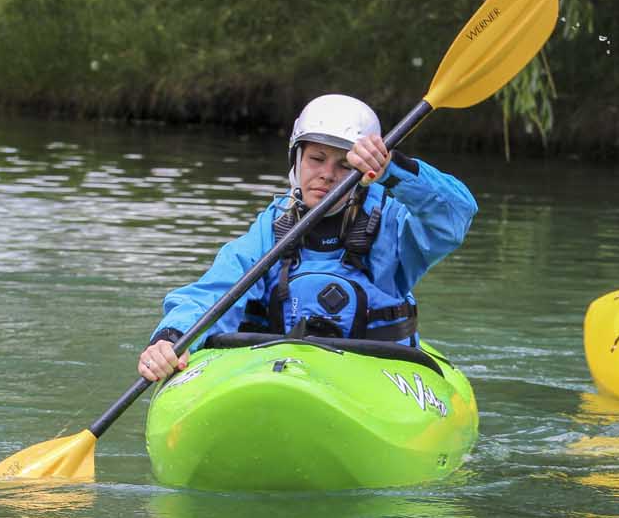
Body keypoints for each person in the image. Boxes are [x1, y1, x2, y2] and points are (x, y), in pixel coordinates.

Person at [136, 93, 477, 381]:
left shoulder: (392, 226)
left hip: (376, 377)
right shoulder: (271, 230)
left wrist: (395, 170)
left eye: (344, 164)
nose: (327, 175)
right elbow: (213, 292)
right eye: (316, 158)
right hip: (278, 376)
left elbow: (455, 215)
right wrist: (171, 338)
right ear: (296, 160)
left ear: (367, 169)